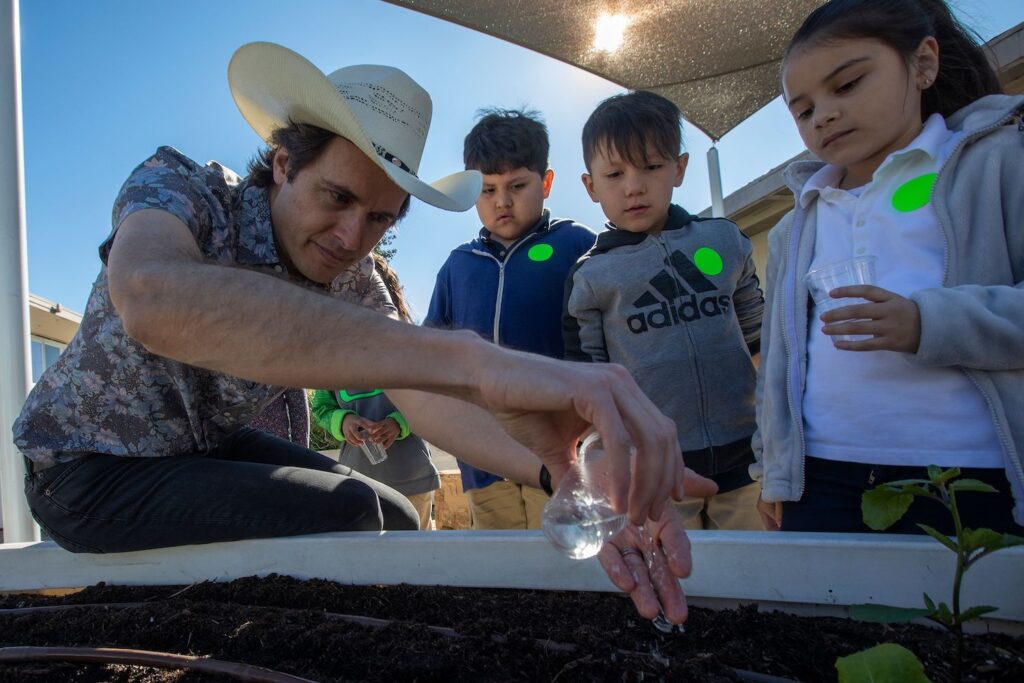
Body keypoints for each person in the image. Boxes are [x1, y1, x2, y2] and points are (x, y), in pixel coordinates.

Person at [12, 41, 714, 625]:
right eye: (338, 197)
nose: (353, 236)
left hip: (203, 449)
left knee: (394, 512)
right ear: (285, 162)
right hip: (87, 471)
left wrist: (565, 472)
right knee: (351, 512)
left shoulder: (357, 277)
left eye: (381, 218)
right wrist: (470, 358)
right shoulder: (184, 188)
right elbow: (149, 297)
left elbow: (427, 395)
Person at [754, 0, 1023, 534]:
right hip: (822, 479)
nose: (824, 114)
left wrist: (929, 322)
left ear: (923, 63)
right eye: (803, 111)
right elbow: (781, 363)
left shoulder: (997, 164)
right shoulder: (796, 224)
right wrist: (772, 468)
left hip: (974, 474)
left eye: (848, 84)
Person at [563, 91, 765, 530]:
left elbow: (762, 342)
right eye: (615, 173)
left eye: (652, 167)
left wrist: (777, 444)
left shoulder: (725, 241)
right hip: (654, 471)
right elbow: (588, 383)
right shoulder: (591, 275)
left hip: (750, 459)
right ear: (590, 186)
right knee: (679, 581)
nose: (634, 186)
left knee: (758, 581)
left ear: (680, 168)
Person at [425, 108, 597, 530]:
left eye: (517, 185)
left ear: (547, 182)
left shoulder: (579, 245)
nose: (502, 201)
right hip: (483, 464)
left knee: (570, 573)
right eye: (487, 189)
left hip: (562, 458)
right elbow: (432, 353)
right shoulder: (457, 266)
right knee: (503, 578)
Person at [311, 253, 440, 530]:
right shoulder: (328, 356)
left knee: (417, 558)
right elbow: (321, 407)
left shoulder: (409, 346)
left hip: (412, 478)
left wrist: (398, 424)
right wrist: (343, 421)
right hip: (357, 484)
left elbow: (429, 402)